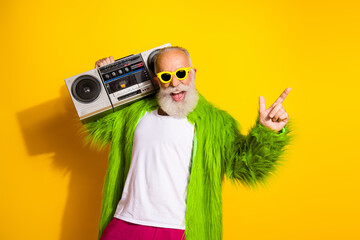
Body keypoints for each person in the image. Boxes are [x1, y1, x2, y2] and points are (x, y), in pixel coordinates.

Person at [84, 46, 293, 240]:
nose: (175, 83)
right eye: (166, 77)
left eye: (181, 73)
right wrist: (104, 84)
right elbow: (99, 126)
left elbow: (245, 167)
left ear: (192, 73)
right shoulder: (134, 114)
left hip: (181, 230)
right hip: (128, 223)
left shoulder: (216, 122)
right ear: (157, 81)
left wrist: (268, 132)